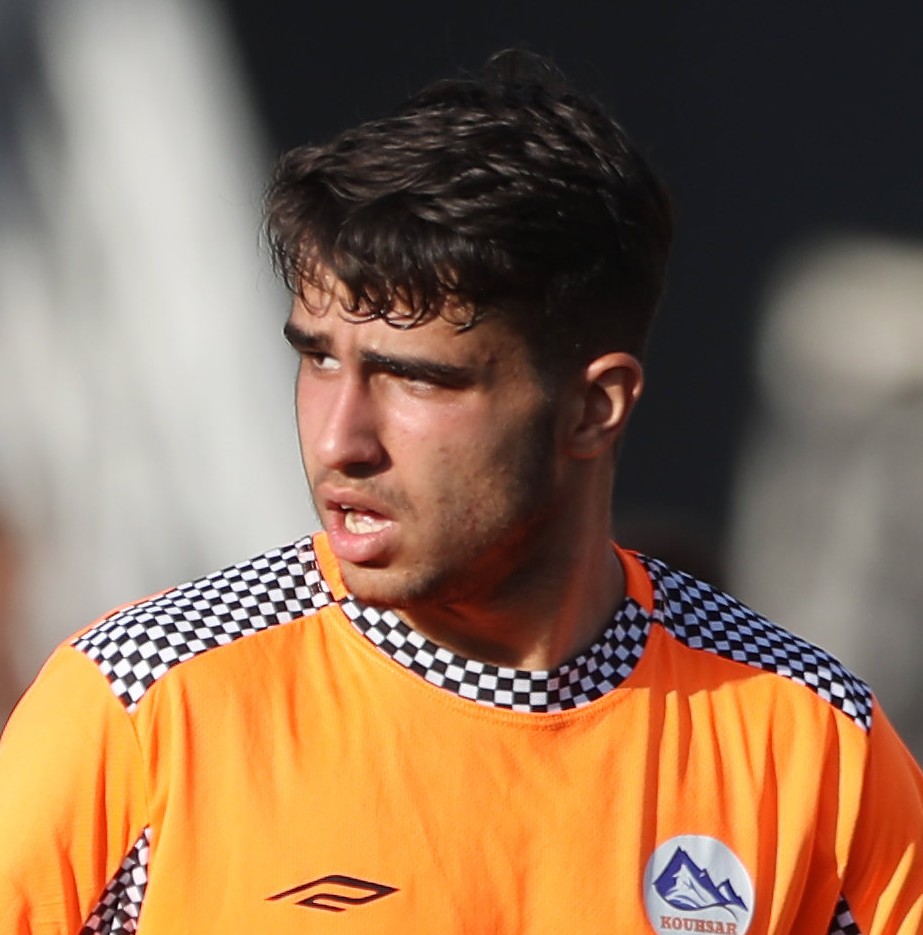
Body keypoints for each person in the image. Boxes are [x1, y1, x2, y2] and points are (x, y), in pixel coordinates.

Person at [1, 49, 920, 935]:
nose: (338, 441)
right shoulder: (139, 697)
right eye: (318, 358)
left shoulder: (811, 736)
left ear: (593, 408)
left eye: (415, 377)